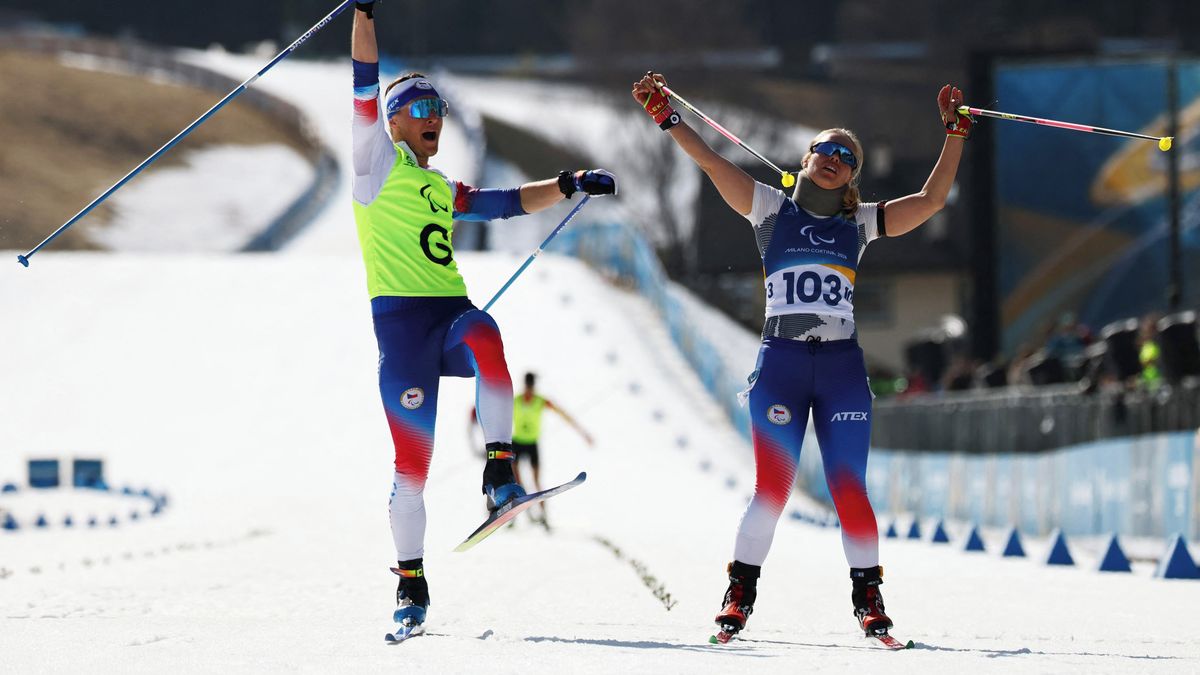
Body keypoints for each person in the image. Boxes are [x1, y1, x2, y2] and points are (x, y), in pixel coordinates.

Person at [632, 71, 968, 639]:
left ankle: (870, 600)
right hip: (782, 366)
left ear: (853, 178)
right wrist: (667, 116)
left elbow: (933, 200)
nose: (835, 157)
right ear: (807, 159)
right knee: (773, 489)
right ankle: (739, 595)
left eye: (847, 156)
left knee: (848, 488)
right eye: (825, 149)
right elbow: (714, 163)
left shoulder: (858, 222)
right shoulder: (770, 209)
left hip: (840, 370)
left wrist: (955, 133)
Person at [351, 1, 617, 632]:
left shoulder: (440, 187)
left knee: (485, 332)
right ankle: (411, 584)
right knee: (412, 467)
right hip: (401, 332)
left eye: (438, 111)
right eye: (420, 110)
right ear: (393, 123)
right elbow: (362, 82)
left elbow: (502, 203)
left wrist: (569, 182)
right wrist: (364, 15)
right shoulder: (374, 166)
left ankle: (500, 474)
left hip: (448, 317)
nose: (433, 120)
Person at [510, 372, 594, 524]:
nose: (529, 389)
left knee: (536, 481)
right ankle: (516, 516)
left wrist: (583, 433)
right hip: (517, 443)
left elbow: (564, 415)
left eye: (531, 386)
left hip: (531, 444)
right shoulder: (515, 400)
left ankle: (543, 517)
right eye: (528, 386)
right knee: (517, 482)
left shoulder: (540, 401)